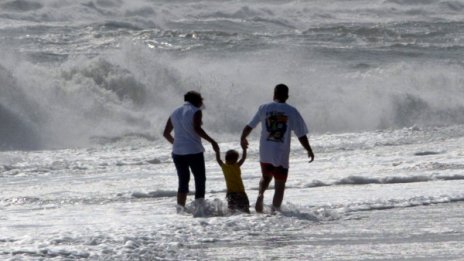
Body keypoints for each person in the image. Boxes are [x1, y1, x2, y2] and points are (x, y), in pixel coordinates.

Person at [240, 84, 314, 213]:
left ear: (274, 94)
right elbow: (301, 134)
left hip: (265, 151)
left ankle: (260, 194)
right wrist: (308, 149)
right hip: (280, 153)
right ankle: (275, 211)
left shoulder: (263, 108)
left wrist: (243, 138)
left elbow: (249, 126)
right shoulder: (292, 111)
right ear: (287, 96)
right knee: (279, 184)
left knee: (265, 176)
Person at [163, 91, 219, 208]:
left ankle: (180, 208)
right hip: (194, 151)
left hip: (177, 152)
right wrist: (212, 141)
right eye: (201, 100)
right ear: (196, 100)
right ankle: (199, 208)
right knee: (200, 180)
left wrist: (177, 144)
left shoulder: (174, 111)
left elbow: (166, 133)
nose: (202, 102)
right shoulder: (195, 111)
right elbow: (197, 128)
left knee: (183, 181)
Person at [215, 145, 250, 213]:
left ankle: (233, 219)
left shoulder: (224, 167)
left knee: (232, 209)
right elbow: (243, 158)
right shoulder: (236, 166)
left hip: (231, 193)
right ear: (235, 160)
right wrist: (244, 149)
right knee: (245, 208)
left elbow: (218, 159)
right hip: (240, 191)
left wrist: (217, 151)